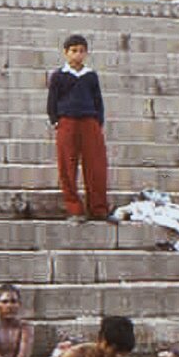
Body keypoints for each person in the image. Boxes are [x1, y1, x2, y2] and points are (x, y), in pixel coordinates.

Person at [46, 35, 110, 223]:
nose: (77, 54)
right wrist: (55, 120)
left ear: (86, 53)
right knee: (67, 166)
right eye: (73, 51)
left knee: (96, 166)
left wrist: (98, 121)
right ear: (66, 53)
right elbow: (52, 101)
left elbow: (98, 100)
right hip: (67, 122)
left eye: (81, 51)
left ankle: (98, 208)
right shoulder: (59, 75)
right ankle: (74, 209)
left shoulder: (91, 76)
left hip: (90, 122)